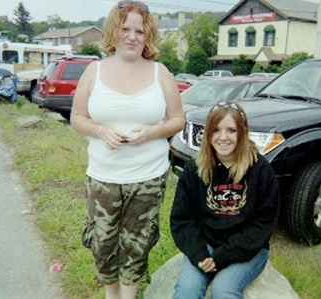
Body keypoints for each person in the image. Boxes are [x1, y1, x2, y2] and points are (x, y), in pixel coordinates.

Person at [70, 1, 184, 298]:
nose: (132, 37)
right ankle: (112, 295)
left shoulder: (161, 73)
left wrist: (153, 132)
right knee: (103, 242)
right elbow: (77, 118)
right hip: (104, 176)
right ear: (114, 32)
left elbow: (178, 120)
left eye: (139, 31)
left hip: (148, 177)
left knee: (136, 244)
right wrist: (101, 130)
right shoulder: (94, 71)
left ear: (148, 36)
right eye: (126, 29)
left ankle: (130, 295)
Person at [170, 102, 280, 299]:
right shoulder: (194, 169)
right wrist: (199, 254)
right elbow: (182, 219)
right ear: (208, 134)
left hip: (247, 249)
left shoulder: (261, 170)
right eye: (216, 130)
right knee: (186, 291)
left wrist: (221, 258)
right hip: (206, 243)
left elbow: (263, 224)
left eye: (231, 130)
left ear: (243, 132)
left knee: (223, 291)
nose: (223, 137)